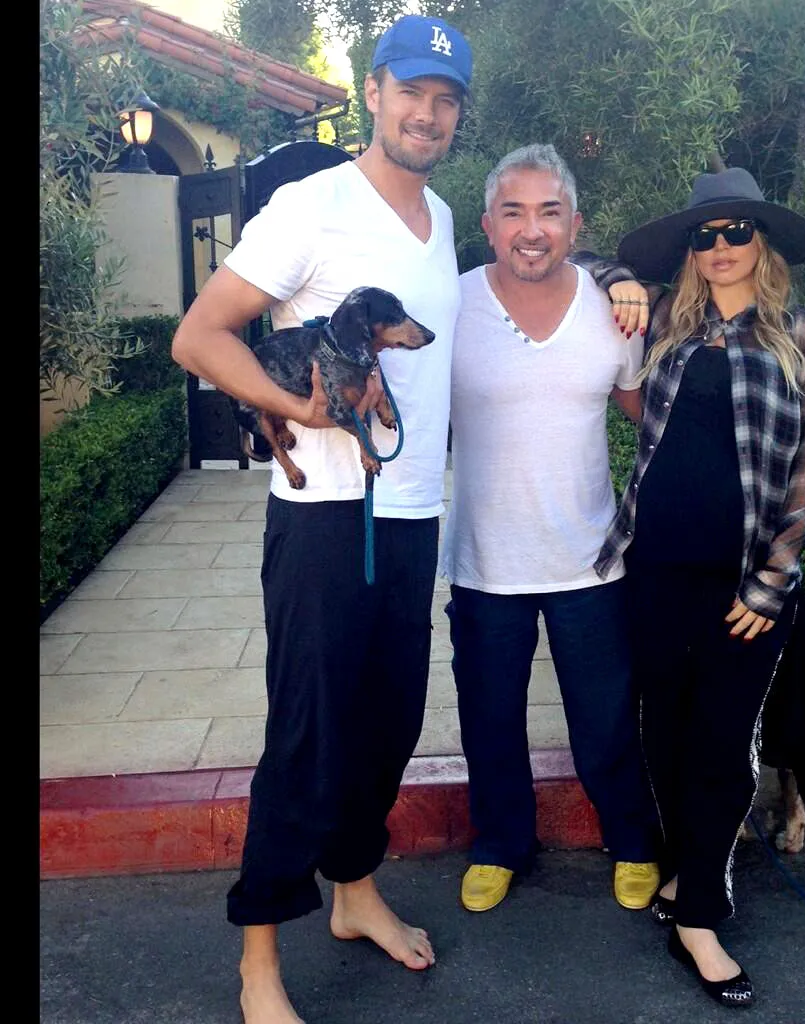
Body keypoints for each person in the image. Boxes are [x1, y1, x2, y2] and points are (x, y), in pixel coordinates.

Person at [169, 14, 472, 1024]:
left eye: (445, 100)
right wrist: (296, 409)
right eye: (410, 92)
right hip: (323, 524)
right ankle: (258, 960)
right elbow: (200, 336)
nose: (426, 114)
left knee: (386, 727)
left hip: (411, 511)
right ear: (373, 93)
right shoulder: (312, 205)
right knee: (307, 736)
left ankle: (354, 893)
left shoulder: (442, 219)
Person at [576, 166, 805, 1007]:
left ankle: (699, 915)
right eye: (705, 234)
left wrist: (772, 580)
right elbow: (565, 256)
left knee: (723, 743)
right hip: (656, 565)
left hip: (744, 583)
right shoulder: (664, 323)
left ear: (762, 242)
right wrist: (616, 277)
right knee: (662, 731)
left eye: (737, 230)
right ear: (689, 250)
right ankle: (684, 869)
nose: (721, 245)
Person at [441, 144, 662, 915]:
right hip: (484, 562)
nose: (531, 230)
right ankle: (500, 845)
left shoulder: (614, 312)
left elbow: (649, 415)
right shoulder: (451, 303)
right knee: (490, 721)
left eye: (548, 212)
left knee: (606, 720)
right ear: (487, 225)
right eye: (514, 212)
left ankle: (632, 839)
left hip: (590, 561)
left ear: (574, 224)